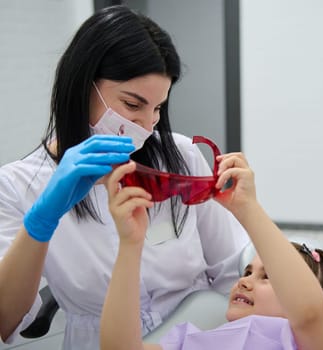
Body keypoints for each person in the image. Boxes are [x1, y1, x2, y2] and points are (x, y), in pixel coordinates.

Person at [0, 5, 248, 349]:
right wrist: (40, 221)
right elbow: (6, 320)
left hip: (197, 333)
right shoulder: (16, 186)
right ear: (82, 86)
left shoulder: (182, 157)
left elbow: (232, 272)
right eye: (133, 105)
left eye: (158, 108)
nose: (147, 126)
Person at [100, 153, 323, 350]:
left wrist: (247, 208)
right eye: (248, 271)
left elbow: (307, 312)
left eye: (267, 277)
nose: (245, 281)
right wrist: (130, 245)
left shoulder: (309, 339)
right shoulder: (197, 341)